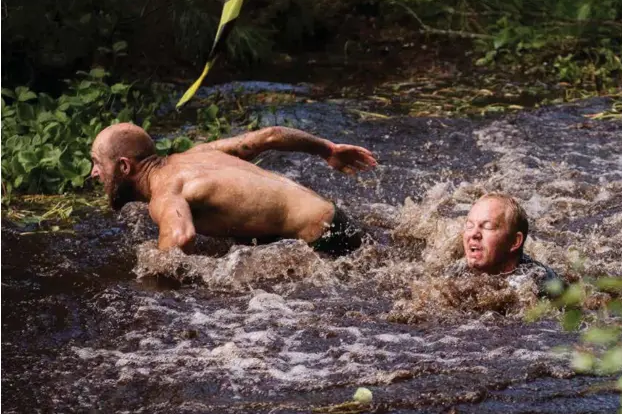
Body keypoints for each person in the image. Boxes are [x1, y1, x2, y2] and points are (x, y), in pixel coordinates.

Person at [89, 123, 377, 255]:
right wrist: (328, 149)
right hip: (331, 216)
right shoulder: (197, 154)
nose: (94, 173)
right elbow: (270, 135)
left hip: (321, 238)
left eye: (98, 163)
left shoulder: (165, 193)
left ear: (124, 167)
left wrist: (152, 289)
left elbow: (180, 238)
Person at [448, 193, 561, 294]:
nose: (473, 234)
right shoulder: (455, 272)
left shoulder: (540, 286)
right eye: (469, 225)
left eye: (488, 227)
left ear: (515, 241)